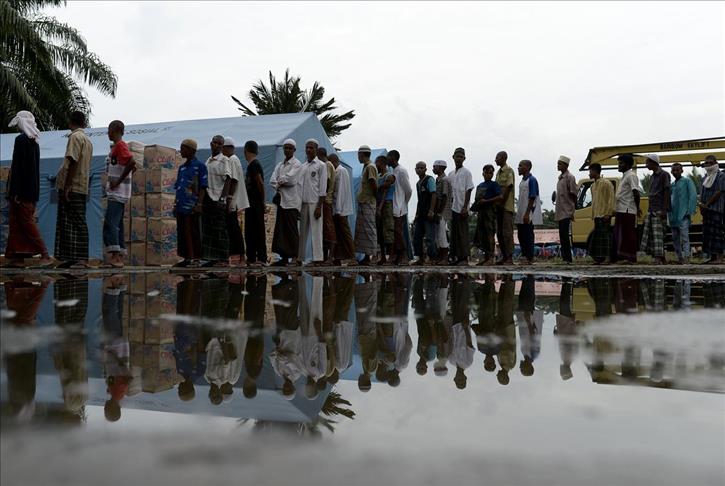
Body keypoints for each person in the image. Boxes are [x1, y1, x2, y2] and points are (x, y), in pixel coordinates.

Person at [4, 111, 52, 268]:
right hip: (30, 190)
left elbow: (20, 168)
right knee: (17, 223)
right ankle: (17, 257)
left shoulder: (21, 140)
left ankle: (45, 254)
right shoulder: (34, 143)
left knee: (26, 223)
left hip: (21, 192)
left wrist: (16, 191)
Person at [54, 110, 93, 268]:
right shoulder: (87, 140)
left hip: (73, 186)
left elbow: (72, 160)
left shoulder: (75, 137)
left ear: (71, 122)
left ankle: (81, 259)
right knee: (70, 222)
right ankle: (72, 257)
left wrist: (67, 185)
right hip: (81, 185)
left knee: (76, 221)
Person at [102, 120, 135, 268]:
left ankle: (115, 257)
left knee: (111, 223)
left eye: (109, 130)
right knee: (117, 224)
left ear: (115, 130)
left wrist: (118, 182)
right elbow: (131, 166)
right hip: (118, 192)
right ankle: (119, 255)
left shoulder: (121, 146)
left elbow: (132, 162)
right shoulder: (117, 147)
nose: (108, 133)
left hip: (117, 193)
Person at [173, 139, 207, 267]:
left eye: (183, 148)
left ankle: (196, 258)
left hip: (192, 206)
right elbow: (178, 187)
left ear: (191, 150)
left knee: (193, 231)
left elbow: (203, 187)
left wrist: (199, 204)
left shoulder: (200, 166)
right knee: (182, 231)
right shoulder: (181, 168)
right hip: (181, 205)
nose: (180, 151)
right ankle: (186, 258)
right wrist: (175, 204)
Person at [270, 138, 302, 266]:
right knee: (281, 230)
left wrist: (280, 181)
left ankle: (295, 257)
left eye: (290, 148)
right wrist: (281, 182)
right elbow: (272, 180)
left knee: (291, 230)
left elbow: (291, 180)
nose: (287, 150)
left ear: (294, 150)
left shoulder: (297, 164)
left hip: (291, 202)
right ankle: (283, 257)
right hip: (282, 201)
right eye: (286, 148)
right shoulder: (280, 165)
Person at [201, 135, 232, 267]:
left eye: (220, 144)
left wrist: (223, 199)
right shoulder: (208, 161)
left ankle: (224, 258)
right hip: (208, 197)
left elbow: (228, 179)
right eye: (215, 143)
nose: (217, 145)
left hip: (218, 198)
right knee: (209, 229)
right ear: (211, 143)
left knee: (220, 229)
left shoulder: (224, 160)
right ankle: (212, 258)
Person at [298, 139, 327, 265]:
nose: (308, 150)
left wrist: (319, 206)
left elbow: (323, 188)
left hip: (315, 203)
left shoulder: (321, 165)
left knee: (316, 232)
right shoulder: (303, 166)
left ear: (316, 149)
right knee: (302, 232)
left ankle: (318, 259)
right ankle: (300, 258)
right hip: (303, 203)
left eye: (311, 148)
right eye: (307, 147)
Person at [222, 137, 250, 267]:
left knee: (234, 229)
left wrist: (228, 199)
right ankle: (236, 256)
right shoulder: (235, 159)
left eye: (223, 148)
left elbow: (233, 180)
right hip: (234, 199)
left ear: (228, 148)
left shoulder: (232, 160)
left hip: (233, 200)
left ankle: (241, 256)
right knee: (233, 228)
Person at [640, 154, 670, 264]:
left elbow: (667, 192)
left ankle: (658, 257)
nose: (646, 165)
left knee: (658, 235)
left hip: (659, 208)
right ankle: (661, 258)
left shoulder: (664, 175)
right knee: (653, 235)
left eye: (647, 162)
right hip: (652, 208)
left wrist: (664, 210)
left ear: (654, 162)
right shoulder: (652, 176)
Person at [471, 164, 502, 265]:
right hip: (481, 212)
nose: (489, 174)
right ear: (483, 173)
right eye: (487, 172)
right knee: (481, 235)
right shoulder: (480, 186)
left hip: (490, 211)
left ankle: (491, 257)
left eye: (491, 173)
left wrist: (487, 201)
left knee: (489, 234)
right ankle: (485, 257)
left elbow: (500, 197)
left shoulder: (494, 185)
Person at [613, 153, 641, 264]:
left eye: (621, 163)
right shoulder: (624, 176)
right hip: (620, 209)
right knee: (620, 234)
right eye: (619, 163)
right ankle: (622, 257)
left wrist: (637, 208)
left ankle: (630, 258)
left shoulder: (631, 175)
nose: (619, 165)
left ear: (628, 165)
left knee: (628, 235)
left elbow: (636, 192)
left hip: (627, 209)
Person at [668, 162, 698, 264]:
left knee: (685, 237)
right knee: (675, 238)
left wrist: (689, 210)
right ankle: (679, 258)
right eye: (673, 170)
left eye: (677, 170)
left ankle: (687, 258)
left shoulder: (687, 181)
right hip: (673, 215)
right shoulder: (672, 185)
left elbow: (693, 195)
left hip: (684, 214)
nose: (675, 172)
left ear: (682, 171)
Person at [449, 147, 474, 265]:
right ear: (453, 157)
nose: (458, 158)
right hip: (452, 207)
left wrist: (465, 207)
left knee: (462, 233)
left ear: (464, 158)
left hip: (462, 207)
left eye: (461, 157)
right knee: (454, 233)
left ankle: (464, 258)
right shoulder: (451, 174)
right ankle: (455, 257)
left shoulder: (467, 172)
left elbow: (469, 189)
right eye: (457, 156)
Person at [353, 145, 378, 265]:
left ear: (361, 154)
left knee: (369, 230)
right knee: (363, 231)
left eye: (358, 154)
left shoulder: (370, 167)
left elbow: (373, 183)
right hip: (364, 202)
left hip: (368, 202)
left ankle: (371, 256)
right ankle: (366, 257)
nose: (358, 157)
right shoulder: (366, 167)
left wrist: (375, 198)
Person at [244, 140, 267, 266]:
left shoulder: (254, 165)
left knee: (257, 230)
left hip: (255, 203)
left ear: (246, 151)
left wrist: (262, 201)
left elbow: (260, 183)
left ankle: (261, 258)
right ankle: (251, 257)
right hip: (250, 203)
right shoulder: (251, 165)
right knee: (250, 230)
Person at [330, 153, 355, 265]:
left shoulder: (341, 171)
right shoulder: (336, 171)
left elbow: (341, 191)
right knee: (338, 234)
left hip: (341, 209)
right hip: (337, 208)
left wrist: (338, 210)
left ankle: (352, 257)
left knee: (345, 233)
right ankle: (338, 257)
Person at [515, 160, 542, 264]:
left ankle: (529, 257)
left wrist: (527, 213)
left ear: (527, 167)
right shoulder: (522, 181)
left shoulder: (532, 180)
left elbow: (532, 197)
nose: (518, 168)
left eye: (520, 166)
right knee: (521, 235)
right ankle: (524, 255)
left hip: (528, 213)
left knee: (528, 236)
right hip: (521, 213)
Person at [388, 150, 413, 264]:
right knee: (394, 232)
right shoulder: (393, 171)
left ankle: (403, 255)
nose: (387, 159)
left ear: (393, 158)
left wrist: (404, 203)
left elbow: (408, 190)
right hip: (394, 205)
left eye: (388, 157)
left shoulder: (401, 171)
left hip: (399, 206)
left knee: (398, 232)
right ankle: (396, 256)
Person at [699, 154, 724, 264]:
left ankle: (719, 257)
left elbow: (719, 191)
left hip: (716, 209)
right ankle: (713, 257)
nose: (708, 165)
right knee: (708, 234)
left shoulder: (721, 176)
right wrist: (702, 206)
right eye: (706, 163)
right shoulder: (705, 177)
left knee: (717, 233)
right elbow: (702, 193)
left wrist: (707, 204)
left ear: (715, 163)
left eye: (710, 163)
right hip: (706, 210)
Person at [588, 163, 615, 264]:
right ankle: (599, 259)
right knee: (598, 239)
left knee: (605, 237)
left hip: (604, 215)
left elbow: (611, 199)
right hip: (597, 215)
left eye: (590, 171)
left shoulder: (606, 183)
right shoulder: (592, 186)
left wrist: (609, 213)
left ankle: (608, 258)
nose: (589, 173)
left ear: (595, 171)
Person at [412, 161, 438, 264]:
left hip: (428, 214)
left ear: (425, 169)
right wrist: (416, 214)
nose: (419, 170)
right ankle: (420, 258)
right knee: (417, 237)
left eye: (422, 168)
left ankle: (432, 258)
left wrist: (431, 210)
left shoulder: (429, 179)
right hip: (421, 214)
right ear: (415, 170)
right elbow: (419, 200)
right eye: (418, 168)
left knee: (430, 238)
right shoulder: (418, 183)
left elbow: (434, 194)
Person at [554, 155, 578, 263]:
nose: (558, 165)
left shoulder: (570, 177)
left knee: (565, 235)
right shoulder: (560, 178)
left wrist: (573, 208)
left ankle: (568, 258)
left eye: (560, 164)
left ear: (566, 165)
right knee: (562, 236)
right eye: (558, 163)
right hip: (560, 211)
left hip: (566, 210)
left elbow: (574, 194)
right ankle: (565, 258)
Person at [494, 151, 516, 265]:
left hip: (506, 207)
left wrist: (502, 202)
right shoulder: (498, 173)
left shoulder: (509, 171)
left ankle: (509, 257)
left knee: (507, 232)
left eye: (497, 157)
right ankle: (504, 256)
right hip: (498, 207)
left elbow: (508, 187)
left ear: (503, 158)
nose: (495, 159)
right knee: (499, 233)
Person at [318, 147, 337, 264]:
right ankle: (325, 256)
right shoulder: (327, 165)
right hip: (325, 200)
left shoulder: (327, 165)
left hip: (326, 200)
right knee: (324, 229)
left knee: (329, 228)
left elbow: (327, 182)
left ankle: (330, 257)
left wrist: (321, 196)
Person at [375, 154, 395, 264]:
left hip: (387, 204)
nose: (375, 165)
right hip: (378, 204)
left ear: (381, 163)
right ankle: (382, 257)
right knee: (380, 232)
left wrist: (380, 207)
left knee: (388, 230)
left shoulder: (389, 176)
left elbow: (384, 192)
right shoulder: (379, 176)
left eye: (376, 163)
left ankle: (391, 256)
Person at [432, 159, 452, 264]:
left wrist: (439, 212)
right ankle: (440, 257)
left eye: (434, 167)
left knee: (442, 234)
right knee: (438, 235)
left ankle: (445, 257)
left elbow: (444, 197)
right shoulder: (438, 180)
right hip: (438, 211)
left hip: (443, 212)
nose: (433, 169)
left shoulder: (445, 180)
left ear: (440, 167)